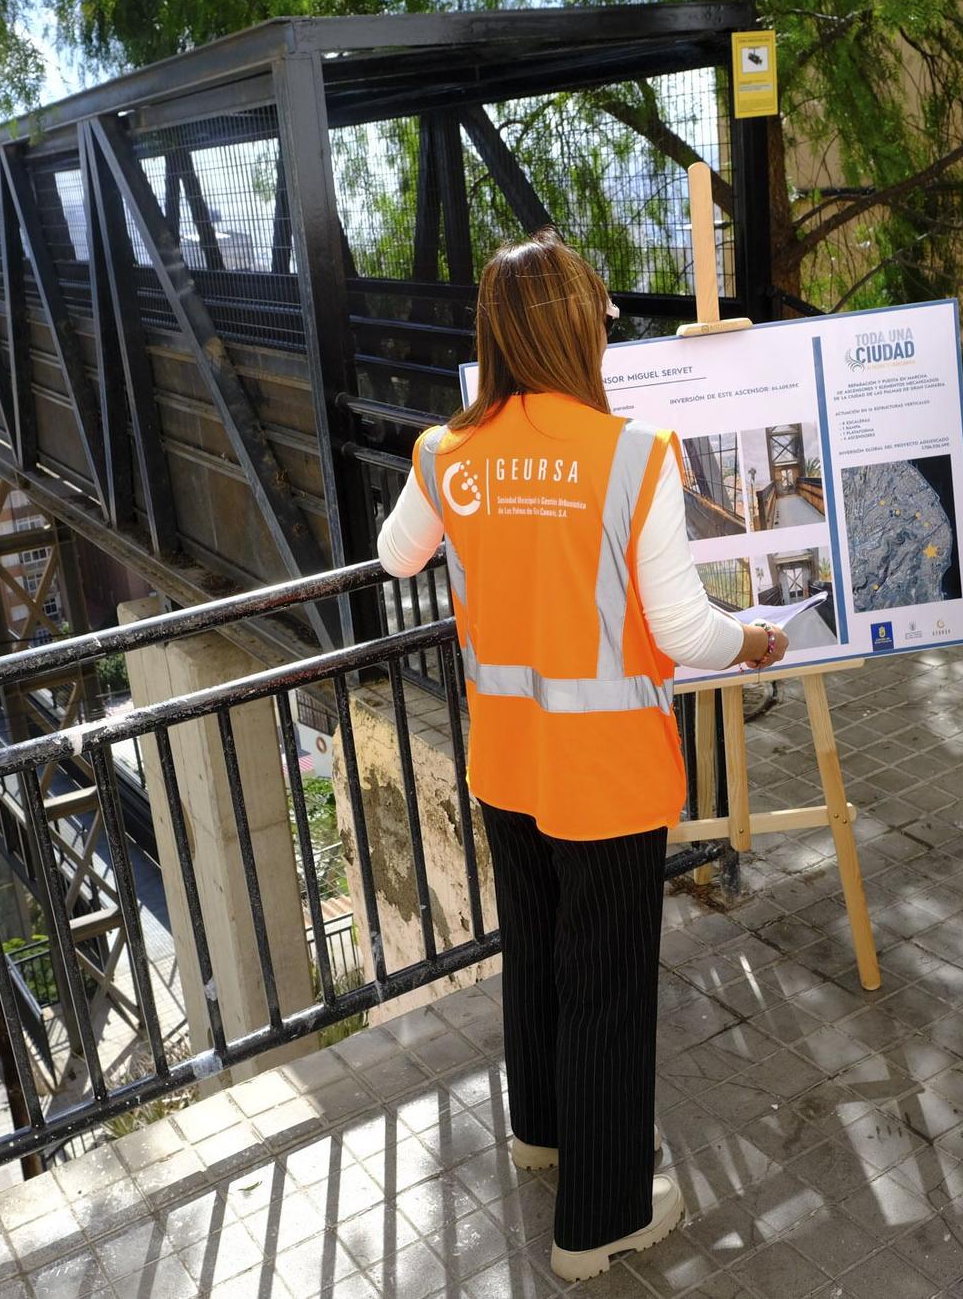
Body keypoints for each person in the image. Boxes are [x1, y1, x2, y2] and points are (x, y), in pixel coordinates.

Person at [376, 229, 784, 1282]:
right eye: (596, 308)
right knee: (606, 984)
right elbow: (686, 633)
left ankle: (542, 1134)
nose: (605, 322)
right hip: (604, 770)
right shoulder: (631, 455)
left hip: (506, 756)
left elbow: (394, 556)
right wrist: (754, 637)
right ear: (572, 326)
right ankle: (599, 1221)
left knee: (539, 955)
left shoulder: (443, 453)